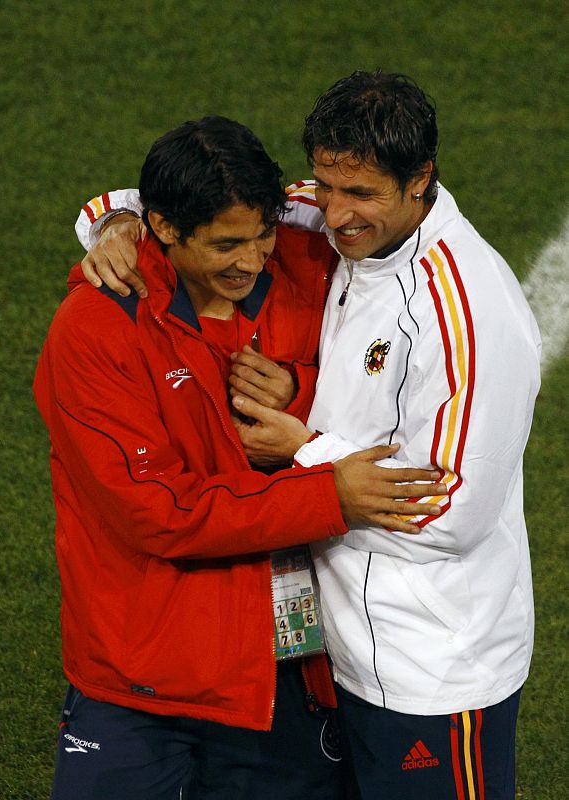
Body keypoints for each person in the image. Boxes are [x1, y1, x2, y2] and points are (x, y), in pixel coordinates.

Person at [75, 72, 542, 800]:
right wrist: (110, 226)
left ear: (419, 179)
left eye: (360, 195)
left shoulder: (467, 314)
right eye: (326, 186)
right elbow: (154, 200)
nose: (334, 215)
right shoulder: (327, 218)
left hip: (432, 669)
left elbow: (449, 512)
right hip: (342, 653)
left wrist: (305, 450)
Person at [35, 114, 447, 800]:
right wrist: (328, 496)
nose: (251, 260)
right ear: (162, 228)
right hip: (143, 678)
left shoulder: (310, 264)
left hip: (287, 669)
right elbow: (157, 513)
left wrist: (300, 388)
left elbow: (381, 380)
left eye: (260, 235)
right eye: (226, 244)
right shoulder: (96, 329)